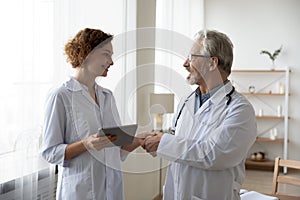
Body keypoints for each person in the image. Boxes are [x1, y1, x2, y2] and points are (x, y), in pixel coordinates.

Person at [143, 30, 257, 200]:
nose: (184, 63)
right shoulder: (186, 101)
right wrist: (151, 139)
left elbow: (214, 154)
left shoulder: (240, 110)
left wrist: (163, 142)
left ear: (212, 63)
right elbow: (178, 138)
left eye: (191, 57)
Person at [41, 28, 150, 200]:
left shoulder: (107, 96)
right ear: (86, 54)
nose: (112, 62)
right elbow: (50, 152)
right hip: (81, 192)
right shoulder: (61, 96)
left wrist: (138, 139)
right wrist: (86, 144)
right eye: (106, 54)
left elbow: (116, 149)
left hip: (111, 191)